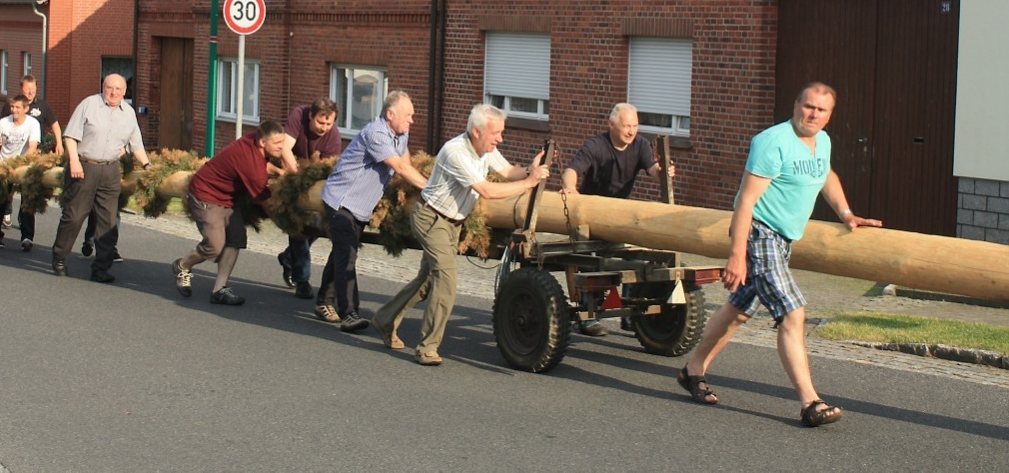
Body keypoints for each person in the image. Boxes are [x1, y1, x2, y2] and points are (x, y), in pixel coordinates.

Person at [676, 82, 882, 427]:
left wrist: (847, 214)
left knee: (738, 311)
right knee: (793, 312)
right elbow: (745, 201)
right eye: (808, 106)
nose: (813, 114)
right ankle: (810, 402)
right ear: (796, 104)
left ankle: (692, 371)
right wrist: (737, 255)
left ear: (829, 115)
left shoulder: (822, 142)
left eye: (821, 110)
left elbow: (826, 174)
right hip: (760, 234)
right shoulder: (772, 142)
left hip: (783, 241)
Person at [373, 104, 549, 365]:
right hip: (431, 219)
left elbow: (508, 172)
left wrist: (529, 170)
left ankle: (384, 319)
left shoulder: (485, 149)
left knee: (428, 280)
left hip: (453, 223)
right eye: (496, 133)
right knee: (446, 280)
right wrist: (528, 183)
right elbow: (486, 190)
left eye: (501, 133)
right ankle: (427, 347)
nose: (500, 138)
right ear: (477, 132)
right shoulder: (456, 152)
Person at [316, 91, 429, 332]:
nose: (412, 120)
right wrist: (431, 189)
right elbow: (398, 166)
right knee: (348, 254)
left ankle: (324, 301)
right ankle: (350, 314)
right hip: (342, 200)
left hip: (360, 205)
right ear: (390, 114)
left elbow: (405, 161)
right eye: (408, 115)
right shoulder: (376, 133)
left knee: (342, 250)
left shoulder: (401, 133)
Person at [560, 102, 676, 336]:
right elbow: (571, 171)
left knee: (626, 259)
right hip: (591, 212)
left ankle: (629, 315)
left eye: (635, 126)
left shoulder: (641, 145)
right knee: (589, 263)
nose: (631, 131)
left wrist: (662, 172)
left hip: (618, 211)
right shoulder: (596, 146)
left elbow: (653, 170)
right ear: (611, 125)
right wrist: (569, 188)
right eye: (626, 126)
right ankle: (587, 316)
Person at [172, 121, 287, 305]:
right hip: (206, 196)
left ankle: (219, 290)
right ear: (263, 143)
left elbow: (262, 166)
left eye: (283, 141)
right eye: (277, 143)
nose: (282, 147)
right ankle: (182, 265)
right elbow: (266, 202)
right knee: (214, 246)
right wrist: (288, 226)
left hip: (228, 199)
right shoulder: (251, 164)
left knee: (236, 238)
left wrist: (280, 172)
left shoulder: (253, 141)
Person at [50, 74, 151, 282]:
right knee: (74, 216)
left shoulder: (129, 114)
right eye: (109, 88)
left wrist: (148, 166)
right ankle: (59, 257)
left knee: (108, 222)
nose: (113, 93)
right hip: (84, 166)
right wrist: (75, 161)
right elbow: (70, 136)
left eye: (118, 89)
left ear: (125, 92)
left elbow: (136, 145)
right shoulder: (89, 104)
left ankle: (101, 268)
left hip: (110, 170)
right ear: (103, 87)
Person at [276, 98, 342, 299]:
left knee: (316, 225)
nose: (324, 128)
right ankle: (302, 280)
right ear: (311, 116)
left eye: (329, 124)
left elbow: (327, 170)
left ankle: (288, 258)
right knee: (299, 227)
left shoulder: (334, 139)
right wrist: (298, 178)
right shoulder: (299, 115)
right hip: (292, 174)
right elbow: (285, 149)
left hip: (314, 183)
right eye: (320, 123)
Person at [0, 74, 62, 232]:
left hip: (33, 153)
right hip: (12, 154)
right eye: (27, 89)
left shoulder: (42, 106)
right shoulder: (11, 106)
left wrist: (59, 142)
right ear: (21, 89)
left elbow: (54, 124)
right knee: (8, 186)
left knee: (27, 188)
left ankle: (25, 222)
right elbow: (1, 126)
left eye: (33, 89)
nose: (31, 92)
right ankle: (6, 212)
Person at [0, 94, 41, 250]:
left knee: (27, 201)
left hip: (23, 167)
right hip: (5, 167)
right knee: (1, 201)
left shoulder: (33, 124)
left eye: (18, 107)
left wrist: (20, 163)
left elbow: (32, 147)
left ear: (26, 108)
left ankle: (27, 237)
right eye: (12, 107)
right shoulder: (4, 123)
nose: (14, 110)